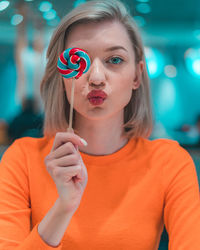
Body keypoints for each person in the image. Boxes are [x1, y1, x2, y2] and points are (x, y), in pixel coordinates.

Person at [0, 0, 200, 249]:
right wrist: (63, 208)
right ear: (63, 74)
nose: (95, 77)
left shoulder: (170, 163)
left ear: (137, 75)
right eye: (79, 60)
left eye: (114, 60)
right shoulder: (22, 160)